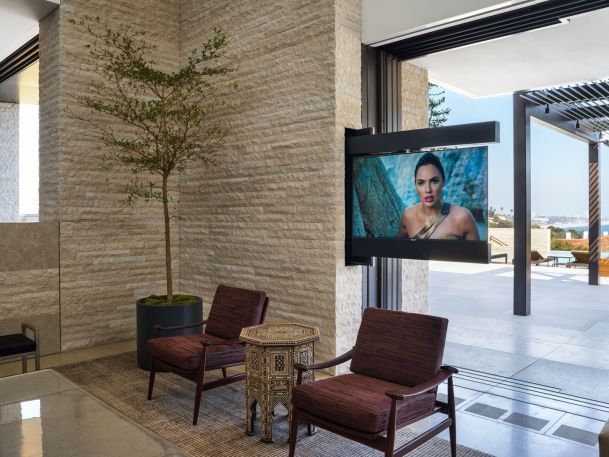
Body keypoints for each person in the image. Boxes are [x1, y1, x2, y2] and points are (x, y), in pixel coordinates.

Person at [397, 152, 480, 240]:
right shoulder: (408, 216)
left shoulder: (463, 217)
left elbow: (480, 249)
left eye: (434, 181)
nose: (428, 189)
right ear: (415, 185)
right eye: (421, 183)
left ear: (443, 181)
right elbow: (398, 248)